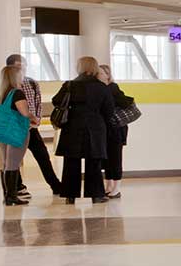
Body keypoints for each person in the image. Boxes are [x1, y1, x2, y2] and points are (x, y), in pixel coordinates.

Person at [51, 57, 115, 205]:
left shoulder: (69, 85)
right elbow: (109, 110)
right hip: (95, 128)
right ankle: (96, 195)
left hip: (72, 127)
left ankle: (70, 195)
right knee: (94, 162)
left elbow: (56, 101)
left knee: (71, 162)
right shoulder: (101, 87)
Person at [4, 54, 62, 198]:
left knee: (42, 156)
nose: (22, 69)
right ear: (10, 68)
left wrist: (36, 122)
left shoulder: (32, 83)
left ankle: (55, 185)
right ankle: (17, 188)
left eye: (24, 65)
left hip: (31, 129)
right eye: (18, 66)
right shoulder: (3, 86)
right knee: (12, 161)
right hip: (13, 129)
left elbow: (37, 105)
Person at [0, 61, 33, 207]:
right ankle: (11, 197)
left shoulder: (1, 93)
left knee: (7, 162)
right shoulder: (17, 93)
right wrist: (35, 118)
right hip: (16, 131)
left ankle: (7, 196)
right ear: (14, 77)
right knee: (13, 163)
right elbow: (25, 113)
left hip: (2, 131)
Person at [94, 64, 133, 200]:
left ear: (108, 75)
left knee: (115, 157)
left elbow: (126, 102)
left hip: (115, 129)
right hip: (104, 129)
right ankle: (109, 185)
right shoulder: (98, 89)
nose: (98, 75)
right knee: (106, 159)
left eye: (101, 73)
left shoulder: (112, 88)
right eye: (97, 73)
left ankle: (116, 187)